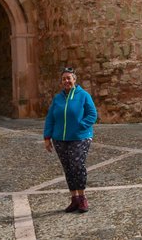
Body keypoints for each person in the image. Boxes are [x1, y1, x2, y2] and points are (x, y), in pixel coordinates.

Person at [44, 67, 98, 213]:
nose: (66, 81)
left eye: (69, 78)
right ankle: (74, 199)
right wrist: (47, 137)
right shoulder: (57, 98)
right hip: (60, 139)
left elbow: (92, 114)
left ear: (74, 79)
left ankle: (82, 198)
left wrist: (81, 126)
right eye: (64, 79)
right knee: (68, 168)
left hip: (80, 137)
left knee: (77, 165)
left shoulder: (83, 95)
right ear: (61, 82)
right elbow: (50, 118)